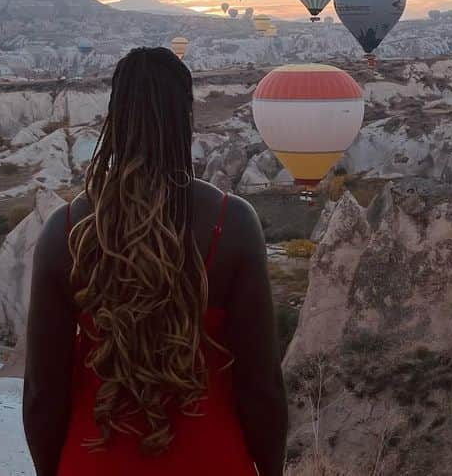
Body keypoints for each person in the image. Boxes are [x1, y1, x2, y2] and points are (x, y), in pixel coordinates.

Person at [23, 47, 287, 476]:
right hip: (211, 460)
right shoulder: (232, 223)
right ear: (187, 118)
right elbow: (262, 389)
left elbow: (41, 394)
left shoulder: (65, 230)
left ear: (114, 118)